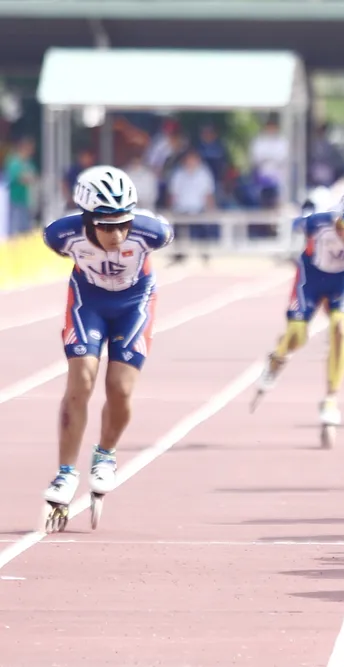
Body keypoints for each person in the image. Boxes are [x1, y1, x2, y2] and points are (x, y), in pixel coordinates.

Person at [40, 166, 174, 533]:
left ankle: (105, 453)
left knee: (120, 387)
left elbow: (159, 237)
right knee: (81, 381)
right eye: (105, 225)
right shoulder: (60, 234)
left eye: (123, 223)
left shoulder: (153, 232)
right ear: (86, 219)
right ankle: (66, 472)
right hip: (89, 302)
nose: (117, 234)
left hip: (134, 303)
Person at [250, 183, 344, 443]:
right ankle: (277, 358)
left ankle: (331, 399)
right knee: (298, 335)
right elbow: (294, 223)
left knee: (342, 331)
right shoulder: (316, 224)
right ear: (340, 220)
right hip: (311, 279)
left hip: (343, 282)